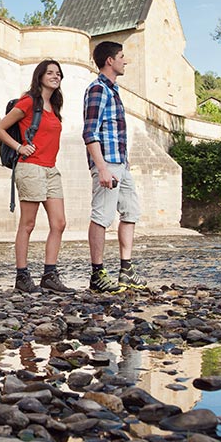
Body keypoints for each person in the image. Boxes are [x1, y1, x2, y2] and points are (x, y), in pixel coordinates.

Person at [0, 59, 72, 293]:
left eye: (58, 73)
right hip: (31, 167)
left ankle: (49, 274)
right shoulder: (28, 102)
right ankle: (22, 276)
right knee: (28, 224)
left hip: (50, 169)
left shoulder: (54, 106)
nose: (55, 76)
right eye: (50, 73)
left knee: (59, 223)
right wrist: (19, 147)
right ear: (40, 77)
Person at [82, 41, 147, 292]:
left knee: (131, 211)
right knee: (101, 216)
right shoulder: (98, 89)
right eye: (121, 56)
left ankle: (126, 271)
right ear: (109, 60)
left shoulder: (114, 90)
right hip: (107, 163)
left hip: (121, 163)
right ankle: (97, 274)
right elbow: (90, 132)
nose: (125, 60)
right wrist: (102, 168)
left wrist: (124, 165)